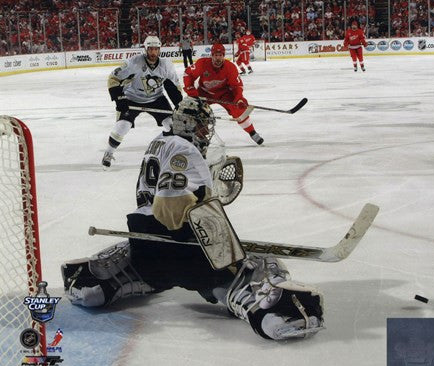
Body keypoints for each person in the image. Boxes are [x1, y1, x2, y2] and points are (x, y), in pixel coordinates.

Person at [61, 97, 323, 340]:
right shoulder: (184, 149)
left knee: (151, 269)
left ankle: (97, 283)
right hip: (179, 244)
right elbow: (169, 207)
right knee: (251, 266)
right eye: (201, 127)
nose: (205, 133)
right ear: (187, 124)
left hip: (143, 239)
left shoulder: (160, 140)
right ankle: (273, 313)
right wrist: (201, 235)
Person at [102, 35, 183, 168]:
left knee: (172, 126)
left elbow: (174, 86)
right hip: (132, 98)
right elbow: (113, 78)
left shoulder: (166, 65)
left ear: (159, 50)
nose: (153, 52)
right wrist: (120, 99)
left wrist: (178, 103)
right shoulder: (134, 62)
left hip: (156, 98)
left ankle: (175, 153)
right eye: (150, 49)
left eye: (156, 49)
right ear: (145, 49)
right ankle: (108, 153)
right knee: (123, 126)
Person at [183, 43, 264, 145]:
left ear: (224, 56)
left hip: (224, 94)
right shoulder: (202, 63)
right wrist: (192, 92)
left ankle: (252, 132)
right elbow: (188, 74)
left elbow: (237, 86)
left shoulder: (230, 67)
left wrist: (239, 98)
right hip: (204, 93)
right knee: (196, 111)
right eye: (215, 55)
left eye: (220, 55)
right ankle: (200, 137)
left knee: (238, 109)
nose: (218, 58)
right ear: (211, 55)